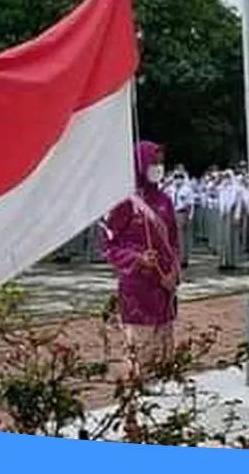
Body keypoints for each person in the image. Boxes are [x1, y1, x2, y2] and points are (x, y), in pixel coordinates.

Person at [102, 141, 180, 370]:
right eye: (153, 163)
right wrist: (137, 259)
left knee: (164, 354)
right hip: (138, 289)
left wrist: (174, 272)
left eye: (161, 163)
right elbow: (109, 246)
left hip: (165, 288)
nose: (158, 167)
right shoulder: (125, 202)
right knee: (142, 354)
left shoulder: (164, 200)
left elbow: (174, 241)